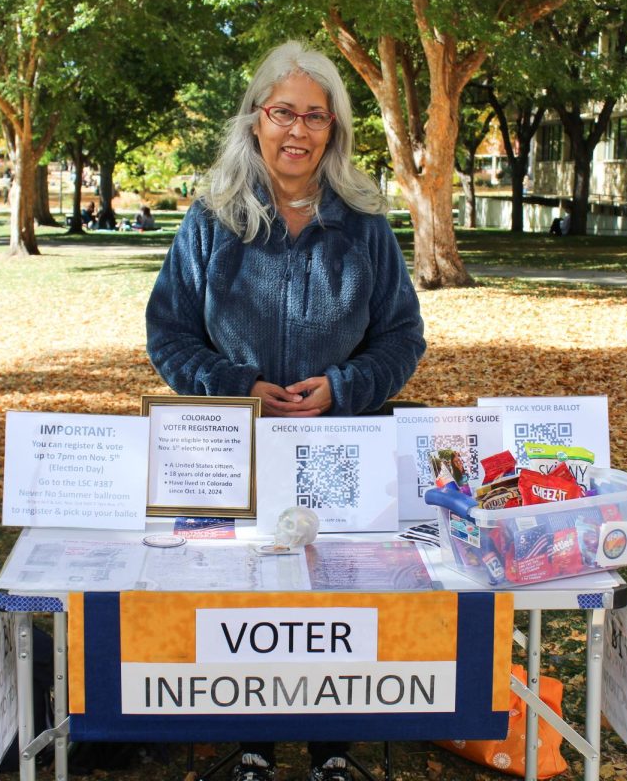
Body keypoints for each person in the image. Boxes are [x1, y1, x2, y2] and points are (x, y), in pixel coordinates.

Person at [146, 42, 425, 781]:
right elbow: (168, 333)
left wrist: (346, 385)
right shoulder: (212, 221)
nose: (296, 131)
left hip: (341, 449)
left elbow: (403, 337)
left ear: (333, 129)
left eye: (314, 116)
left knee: (334, 600)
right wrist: (235, 386)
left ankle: (333, 750)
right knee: (250, 598)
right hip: (239, 449)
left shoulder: (365, 225)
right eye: (282, 114)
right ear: (255, 120)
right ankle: (253, 750)